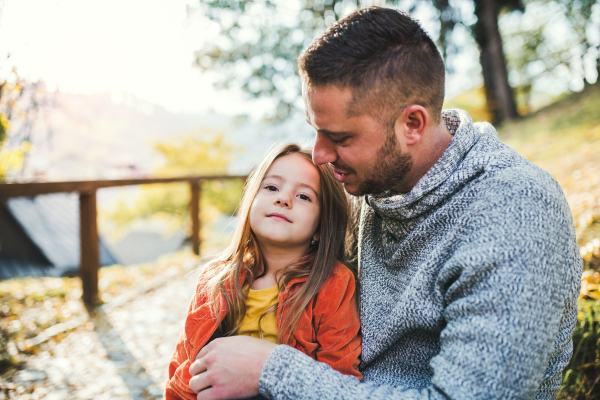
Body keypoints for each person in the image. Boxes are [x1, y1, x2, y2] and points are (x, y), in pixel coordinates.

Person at [188, 7, 583, 400]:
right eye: (316, 132)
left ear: (412, 125)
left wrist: (272, 370)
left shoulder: (514, 214)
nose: (320, 155)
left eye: (340, 138)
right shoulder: (371, 184)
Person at [165, 144, 362, 399]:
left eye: (304, 196)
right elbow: (185, 364)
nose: (283, 199)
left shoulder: (333, 284)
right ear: (251, 202)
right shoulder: (215, 280)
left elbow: (340, 376)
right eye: (271, 188)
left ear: (321, 227)